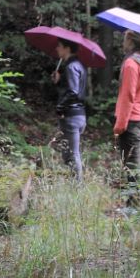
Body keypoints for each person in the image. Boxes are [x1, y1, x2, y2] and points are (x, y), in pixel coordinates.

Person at [114, 30, 140, 181]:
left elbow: (128, 96)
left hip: (133, 121)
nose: (123, 42)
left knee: (133, 168)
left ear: (130, 42)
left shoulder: (131, 64)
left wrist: (120, 125)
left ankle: (134, 204)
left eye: (125, 39)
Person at [52, 38, 87, 180]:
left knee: (73, 154)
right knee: (66, 152)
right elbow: (70, 90)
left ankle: (77, 187)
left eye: (59, 46)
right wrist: (59, 81)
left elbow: (73, 92)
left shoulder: (71, 67)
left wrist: (60, 107)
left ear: (67, 48)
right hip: (78, 115)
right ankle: (73, 183)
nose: (56, 49)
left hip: (71, 116)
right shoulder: (78, 65)